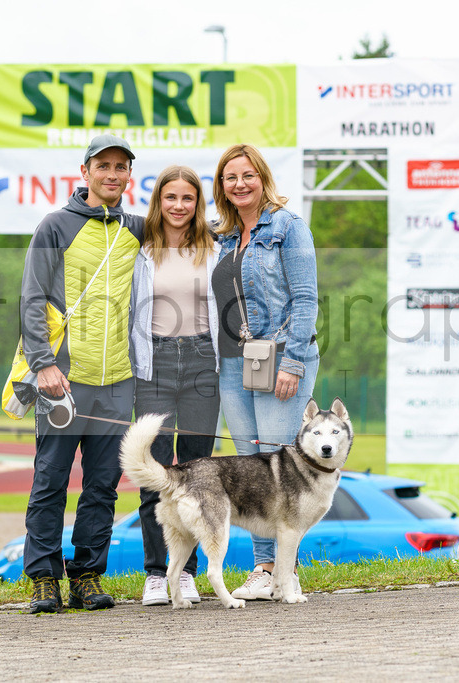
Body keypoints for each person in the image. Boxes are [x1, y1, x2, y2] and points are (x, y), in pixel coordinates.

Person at [18, 134, 144, 614]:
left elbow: (187, 228)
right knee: (50, 480)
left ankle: (87, 577)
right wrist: (43, 364)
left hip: (118, 383)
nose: (112, 174)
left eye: (121, 167)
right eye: (103, 166)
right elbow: (32, 299)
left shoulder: (137, 228)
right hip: (62, 380)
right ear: (85, 171)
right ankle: (44, 579)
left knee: (102, 485)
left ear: (129, 176)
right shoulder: (55, 225)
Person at [209, 143, 319, 601]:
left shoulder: (288, 227)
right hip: (234, 363)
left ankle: (285, 572)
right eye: (230, 177)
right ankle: (264, 569)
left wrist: (292, 362)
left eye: (247, 175)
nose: (240, 184)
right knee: (251, 470)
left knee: (280, 465)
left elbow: (306, 299)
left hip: (280, 358)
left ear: (263, 178)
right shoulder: (225, 235)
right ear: (221, 185)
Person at [131, 165, 221, 606]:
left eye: (188, 199)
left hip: (205, 361)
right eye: (171, 198)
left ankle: (186, 572)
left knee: (198, 472)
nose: (179, 206)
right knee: (155, 470)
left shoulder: (215, 248)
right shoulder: (141, 248)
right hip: (156, 362)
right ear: (158, 201)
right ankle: (154, 573)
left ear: (197, 203)